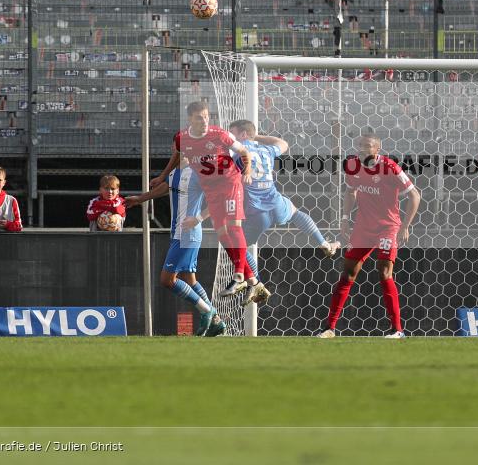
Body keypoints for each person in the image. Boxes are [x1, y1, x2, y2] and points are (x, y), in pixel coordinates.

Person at [318, 133, 421, 339]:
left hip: (388, 228)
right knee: (348, 274)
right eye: (360, 145)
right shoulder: (353, 166)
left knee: (384, 273)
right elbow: (350, 192)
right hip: (363, 229)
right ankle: (330, 328)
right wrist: (345, 218)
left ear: (377, 150)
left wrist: (405, 227)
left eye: (367, 146)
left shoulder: (390, 167)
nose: (362, 149)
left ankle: (397, 330)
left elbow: (415, 195)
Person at [228, 119, 341, 306]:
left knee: (238, 246)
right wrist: (257, 137)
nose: (230, 138)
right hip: (275, 203)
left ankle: (255, 282)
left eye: (233, 134)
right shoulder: (266, 150)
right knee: (296, 213)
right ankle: (324, 244)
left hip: (257, 212)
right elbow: (283, 144)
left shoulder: (236, 151)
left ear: (243, 134)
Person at [151, 100, 257, 299]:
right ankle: (253, 281)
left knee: (234, 227)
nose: (205, 121)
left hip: (230, 182)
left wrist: (247, 171)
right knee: (222, 233)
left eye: (207, 116)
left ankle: (239, 276)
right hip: (212, 189)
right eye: (200, 117)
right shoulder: (183, 140)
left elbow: (244, 152)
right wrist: (162, 176)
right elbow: (177, 155)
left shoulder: (219, 135)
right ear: (190, 119)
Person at [126, 163, 225, 337]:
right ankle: (216, 321)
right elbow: (166, 187)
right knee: (189, 278)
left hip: (187, 234)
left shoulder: (199, 172)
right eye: (175, 146)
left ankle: (206, 311)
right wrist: (141, 198)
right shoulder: (175, 173)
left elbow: (221, 198)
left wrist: (198, 218)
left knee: (167, 280)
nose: (175, 150)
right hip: (178, 233)